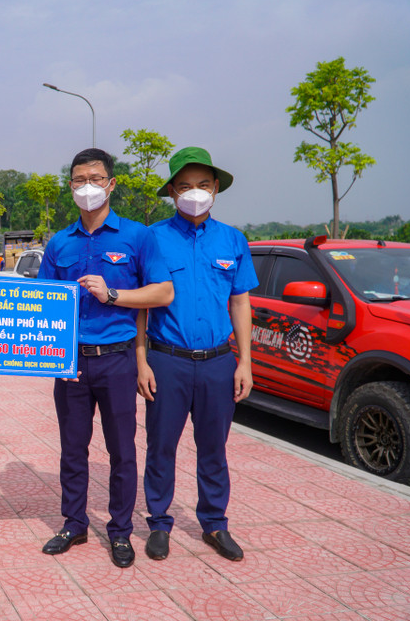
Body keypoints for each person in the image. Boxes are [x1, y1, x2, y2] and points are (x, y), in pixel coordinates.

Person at [38, 148, 173, 568]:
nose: (87, 187)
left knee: (122, 451)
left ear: (111, 184)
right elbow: (40, 305)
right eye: (79, 180)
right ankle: (74, 523)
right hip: (71, 362)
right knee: (72, 449)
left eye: (95, 179)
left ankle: (120, 531)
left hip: (117, 359)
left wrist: (112, 294)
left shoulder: (137, 236)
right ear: (70, 186)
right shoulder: (59, 243)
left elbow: (163, 292)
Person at [137, 147, 258, 562]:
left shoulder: (233, 240)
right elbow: (142, 304)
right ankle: (159, 523)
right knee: (161, 447)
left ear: (216, 189)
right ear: (172, 191)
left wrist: (245, 362)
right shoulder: (153, 238)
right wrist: (141, 361)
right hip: (166, 360)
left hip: (218, 362)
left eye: (203, 185)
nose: (195, 193)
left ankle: (215, 523)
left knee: (213, 449)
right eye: (185, 186)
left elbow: (240, 302)